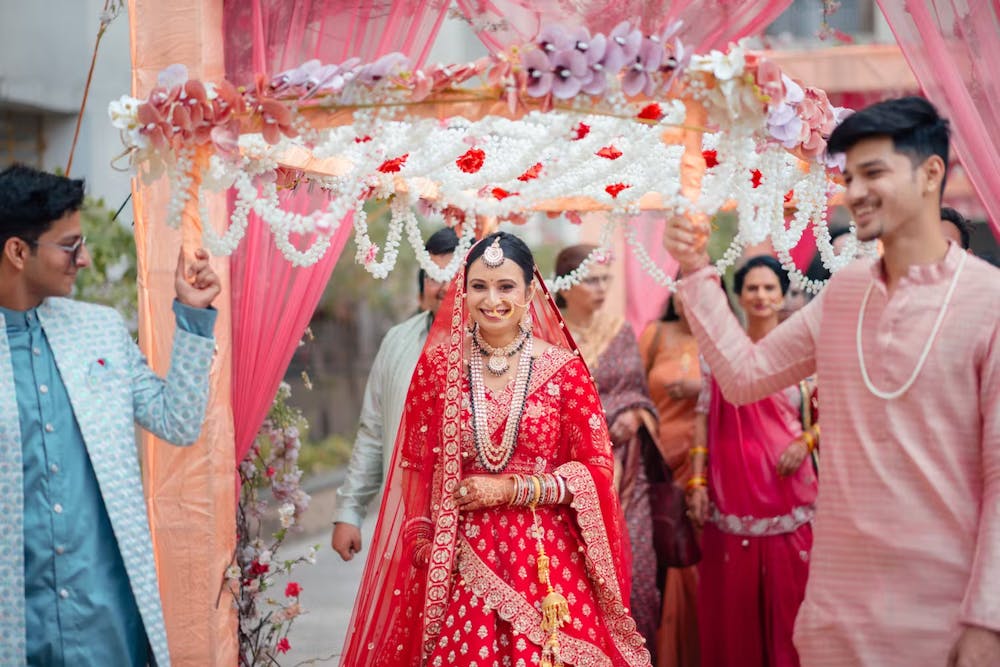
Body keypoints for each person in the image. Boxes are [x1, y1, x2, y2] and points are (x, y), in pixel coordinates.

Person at [663, 96, 1000, 665]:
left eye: (874, 173)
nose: (856, 192)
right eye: (848, 177)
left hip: (944, 618)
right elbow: (746, 376)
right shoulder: (845, 295)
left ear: (931, 174)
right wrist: (696, 270)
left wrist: (987, 621)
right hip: (836, 613)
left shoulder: (988, 302)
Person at [339, 231, 652, 667]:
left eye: (506, 286)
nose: (492, 300)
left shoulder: (564, 371)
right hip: (458, 557)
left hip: (545, 560)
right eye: (479, 286)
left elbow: (596, 470)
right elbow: (415, 464)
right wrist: (422, 537)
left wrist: (512, 489)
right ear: (463, 291)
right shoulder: (437, 368)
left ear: (530, 292)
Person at [0, 165, 220, 666]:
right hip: (15, 625)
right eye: (70, 245)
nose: (85, 258)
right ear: (18, 252)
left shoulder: (98, 331)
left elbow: (178, 421)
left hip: (105, 620)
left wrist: (194, 319)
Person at [686, 255, 818, 667]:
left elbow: (836, 413)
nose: (760, 296)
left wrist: (807, 442)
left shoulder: (807, 353)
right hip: (732, 495)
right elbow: (703, 417)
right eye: (752, 288)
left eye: (769, 288)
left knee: (792, 608)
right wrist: (697, 482)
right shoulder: (720, 355)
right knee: (736, 612)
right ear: (739, 296)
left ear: (783, 295)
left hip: (789, 495)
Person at [554, 244, 664, 655]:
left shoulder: (619, 330)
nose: (601, 288)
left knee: (638, 576)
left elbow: (640, 393)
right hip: (570, 476)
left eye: (605, 279)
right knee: (578, 577)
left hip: (627, 477)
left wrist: (636, 416)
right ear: (565, 287)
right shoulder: (549, 335)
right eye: (591, 280)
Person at [330, 227, 458, 561]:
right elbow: (373, 430)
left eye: (453, 274)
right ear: (420, 293)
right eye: (433, 276)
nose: (443, 286)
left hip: (474, 524)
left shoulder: (498, 351)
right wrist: (350, 510)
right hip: (407, 516)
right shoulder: (397, 342)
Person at [638, 289, 702, 667]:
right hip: (660, 465)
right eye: (682, 291)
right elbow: (636, 392)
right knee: (666, 553)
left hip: (703, 467)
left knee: (695, 560)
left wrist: (703, 388)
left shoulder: (721, 340)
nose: (688, 299)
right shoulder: (655, 335)